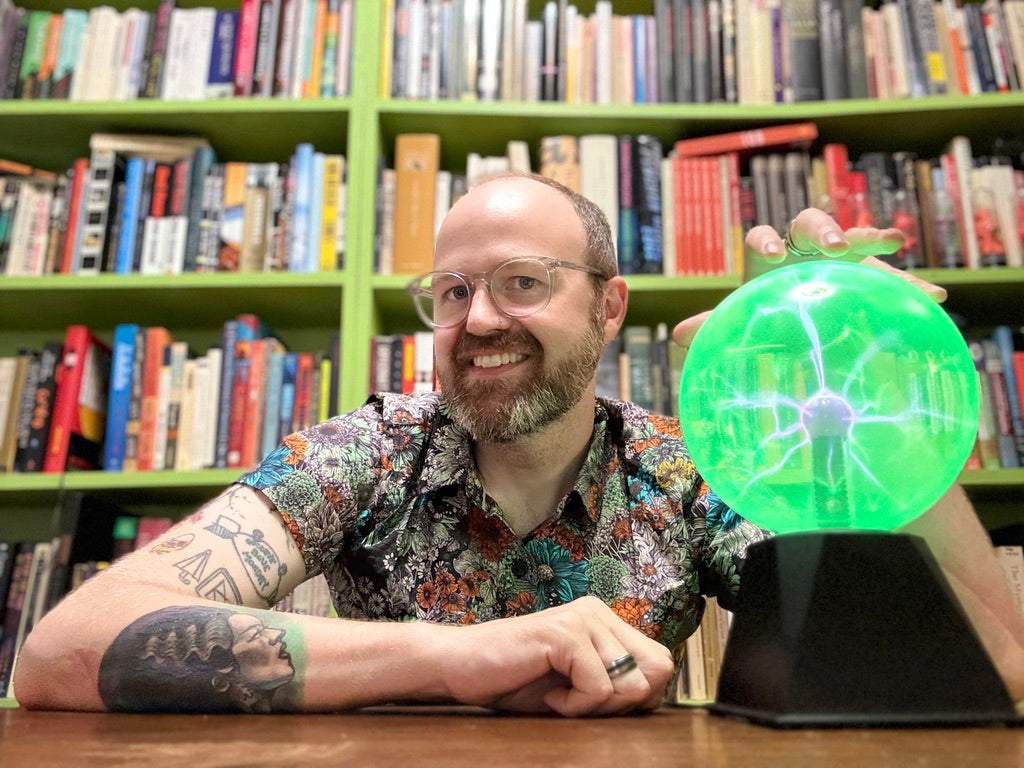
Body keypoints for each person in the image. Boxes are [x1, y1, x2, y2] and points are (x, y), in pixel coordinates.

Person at [14, 173, 1024, 717]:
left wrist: (873, 393)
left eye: (524, 283)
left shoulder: (686, 471)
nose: (480, 318)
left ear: (609, 306)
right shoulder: (368, 453)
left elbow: (995, 669)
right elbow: (63, 653)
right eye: (453, 291)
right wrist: (457, 659)